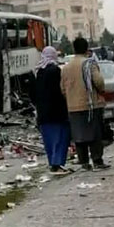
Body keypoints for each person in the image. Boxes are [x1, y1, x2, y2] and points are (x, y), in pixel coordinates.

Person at [61, 36, 109, 171]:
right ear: (86, 48)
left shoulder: (66, 67)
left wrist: (70, 98)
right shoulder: (89, 64)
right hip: (91, 105)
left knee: (79, 135)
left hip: (73, 106)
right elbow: (99, 82)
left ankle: (84, 162)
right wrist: (101, 91)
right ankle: (97, 161)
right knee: (95, 134)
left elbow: (63, 88)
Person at [34, 46, 71, 175]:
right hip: (57, 112)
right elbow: (59, 91)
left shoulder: (39, 72)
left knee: (49, 141)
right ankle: (57, 164)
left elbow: (34, 94)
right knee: (61, 138)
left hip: (43, 114)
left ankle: (53, 164)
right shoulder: (55, 71)